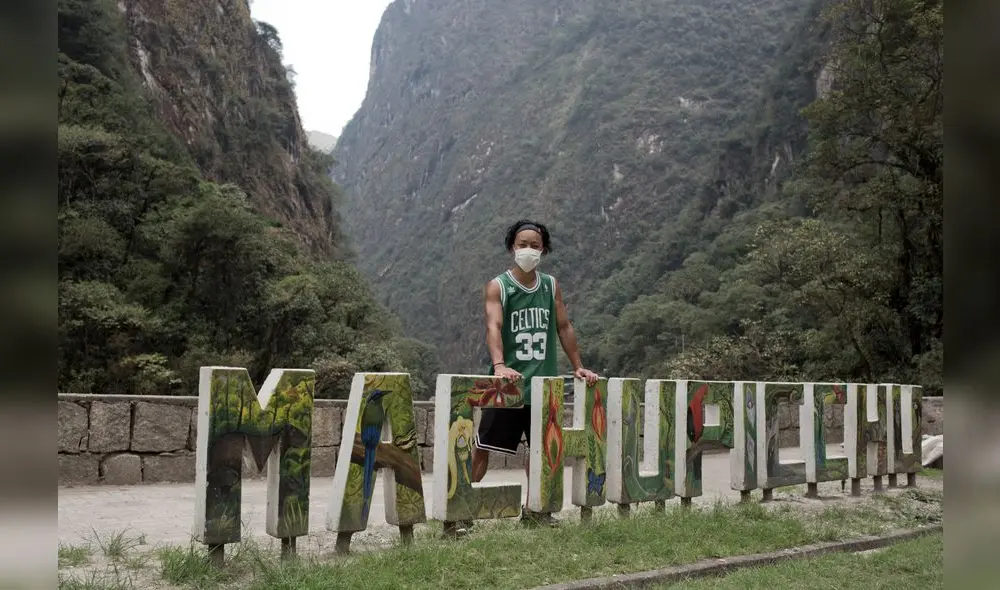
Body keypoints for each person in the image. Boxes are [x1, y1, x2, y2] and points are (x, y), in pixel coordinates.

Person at [471, 219, 599, 528]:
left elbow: (564, 326)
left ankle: (536, 511)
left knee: (542, 453)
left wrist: (577, 365)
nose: (528, 250)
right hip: (508, 386)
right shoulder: (498, 286)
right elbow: (494, 326)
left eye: (535, 245)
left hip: (543, 387)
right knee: (483, 448)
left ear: (544, 250)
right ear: (512, 247)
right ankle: (460, 507)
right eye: (522, 244)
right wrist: (500, 365)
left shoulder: (550, 285)